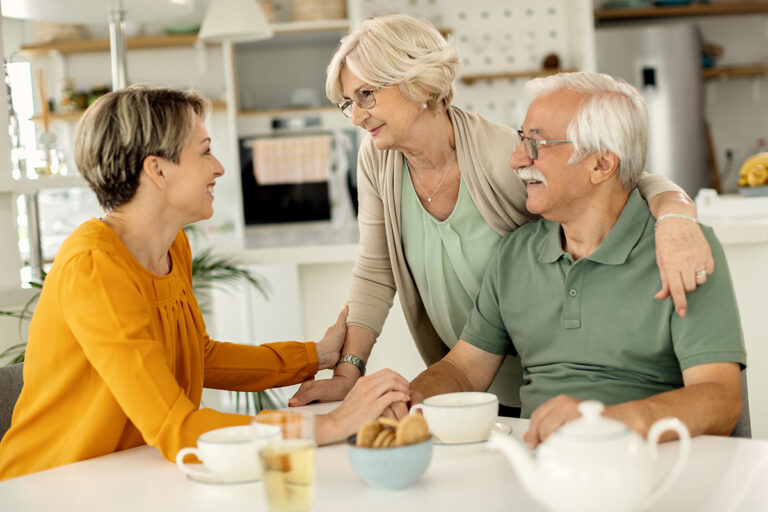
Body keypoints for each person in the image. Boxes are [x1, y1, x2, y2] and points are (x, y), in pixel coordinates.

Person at [289, 14, 715, 415]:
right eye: (348, 102)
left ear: (416, 82)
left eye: (367, 94)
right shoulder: (378, 159)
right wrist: (348, 374)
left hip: (539, 381)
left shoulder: (499, 155)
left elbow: (621, 175)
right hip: (460, 377)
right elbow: (375, 270)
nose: (358, 115)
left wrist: (676, 216)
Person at [0, 85, 409, 480]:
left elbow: (200, 356)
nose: (219, 167)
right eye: (205, 151)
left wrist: (315, 356)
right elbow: (175, 427)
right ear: (157, 170)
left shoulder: (173, 245)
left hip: (125, 475)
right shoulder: (94, 268)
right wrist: (328, 425)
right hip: (49, 485)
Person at [406, 71, 745, 446]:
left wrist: (603, 423)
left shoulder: (681, 249)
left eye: (537, 144)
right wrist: (407, 400)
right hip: (538, 466)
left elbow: (720, 400)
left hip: (647, 467)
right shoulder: (515, 253)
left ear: (601, 164)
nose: (517, 160)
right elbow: (464, 370)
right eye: (521, 140)